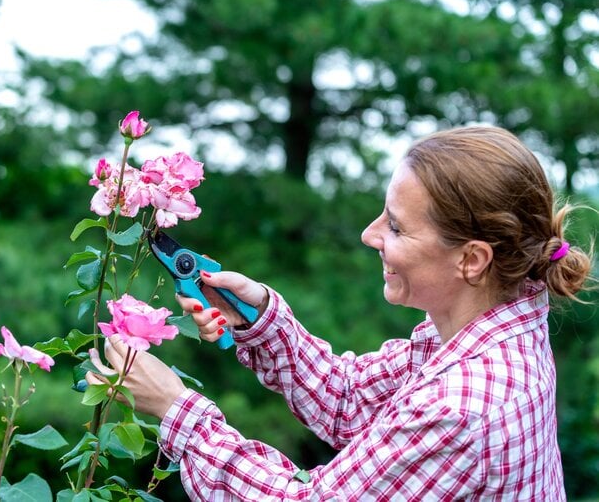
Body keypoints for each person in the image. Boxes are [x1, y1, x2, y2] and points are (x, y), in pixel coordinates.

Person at [86, 126, 594, 500]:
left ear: (472, 259)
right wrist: (260, 318)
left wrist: (177, 410)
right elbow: (349, 399)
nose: (369, 235)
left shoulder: (463, 406)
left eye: (395, 227)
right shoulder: (482, 330)